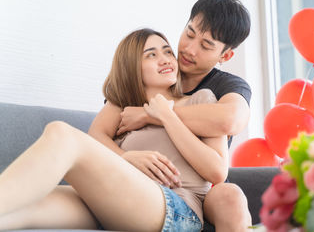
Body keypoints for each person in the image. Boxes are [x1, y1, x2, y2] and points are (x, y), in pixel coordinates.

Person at [0, 28, 228, 232]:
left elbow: (218, 171)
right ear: (131, 66)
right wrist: (127, 157)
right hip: (117, 206)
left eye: (167, 51)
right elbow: (96, 138)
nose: (165, 59)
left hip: (177, 211)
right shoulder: (121, 108)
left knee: (61, 133)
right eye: (151, 54)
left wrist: (167, 116)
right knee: (25, 206)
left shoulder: (200, 100)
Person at [92, 0, 253, 231]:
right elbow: (96, 135)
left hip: (204, 190)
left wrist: (152, 114)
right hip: (144, 189)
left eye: (206, 45)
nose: (188, 49)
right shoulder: (153, 73)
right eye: (189, 33)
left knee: (230, 196)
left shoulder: (224, 86)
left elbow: (230, 120)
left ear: (225, 55)